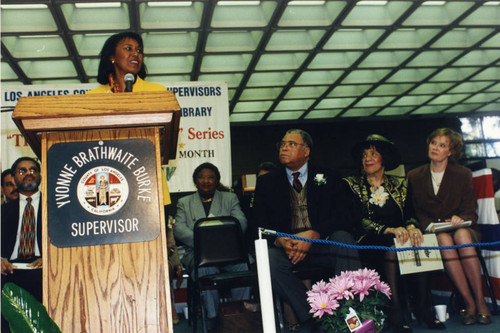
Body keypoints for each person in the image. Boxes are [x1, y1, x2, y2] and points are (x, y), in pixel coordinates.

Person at [253, 129, 360, 331]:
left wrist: (315, 233)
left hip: (321, 242)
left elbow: (345, 216)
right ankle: (316, 316)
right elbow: (257, 224)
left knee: (344, 239)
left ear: (306, 151)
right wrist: (280, 241)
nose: (284, 147)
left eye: (291, 144)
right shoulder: (267, 182)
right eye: (282, 144)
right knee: (267, 259)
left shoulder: (329, 175)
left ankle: (350, 315)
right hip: (288, 247)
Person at [342, 134, 445, 333]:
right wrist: (386, 229)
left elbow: (410, 215)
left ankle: (423, 308)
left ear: (385, 159)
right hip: (368, 239)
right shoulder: (350, 184)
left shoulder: (401, 184)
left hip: (400, 236)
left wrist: (413, 227)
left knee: (419, 241)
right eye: (364, 155)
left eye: (373, 153)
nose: (367, 158)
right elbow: (355, 220)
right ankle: (395, 312)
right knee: (391, 248)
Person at [408, 128, 492, 325]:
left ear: (451, 152)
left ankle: (481, 302)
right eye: (433, 142)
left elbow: (470, 210)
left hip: (465, 229)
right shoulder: (414, 176)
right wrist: (428, 226)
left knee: (461, 235)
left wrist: (459, 218)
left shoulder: (463, 174)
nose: (436, 147)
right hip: (434, 231)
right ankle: (470, 304)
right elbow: (414, 211)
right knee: (444, 239)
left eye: (442, 145)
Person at [173, 162, 250, 330]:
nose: (205, 181)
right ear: (195, 181)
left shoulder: (230, 198)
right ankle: (214, 319)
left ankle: (238, 314)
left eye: (210, 177)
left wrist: (220, 242)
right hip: (198, 254)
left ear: (217, 180)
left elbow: (241, 223)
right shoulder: (184, 202)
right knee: (206, 269)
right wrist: (205, 243)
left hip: (229, 252)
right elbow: (179, 229)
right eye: (201, 177)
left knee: (243, 266)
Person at [1, 157, 43, 332]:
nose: (28, 174)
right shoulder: (3, 212)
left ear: (40, 175)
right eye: (22, 171)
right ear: (14, 177)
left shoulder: (55, 207)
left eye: (33, 170)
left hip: (44, 274)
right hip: (10, 274)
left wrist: (51, 259)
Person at [87, 32, 165, 94]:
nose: (135, 54)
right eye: (128, 48)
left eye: (139, 50)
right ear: (112, 56)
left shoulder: (158, 92)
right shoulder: (93, 97)